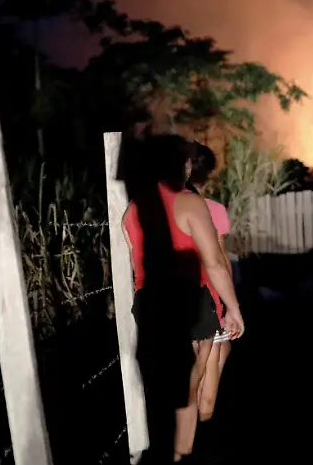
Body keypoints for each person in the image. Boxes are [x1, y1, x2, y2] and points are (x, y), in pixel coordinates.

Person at [122, 135, 245, 463]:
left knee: (160, 389)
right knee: (186, 392)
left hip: (148, 305)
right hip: (188, 302)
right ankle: (181, 456)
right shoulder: (191, 203)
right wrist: (233, 309)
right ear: (181, 164)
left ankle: (163, 450)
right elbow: (216, 262)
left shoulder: (132, 208)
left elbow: (133, 264)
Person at [186, 142, 234, 423]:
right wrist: (231, 305)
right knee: (211, 363)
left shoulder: (167, 208)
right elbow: (221, 260)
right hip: (209, 300)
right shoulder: (214, 210)